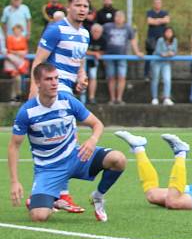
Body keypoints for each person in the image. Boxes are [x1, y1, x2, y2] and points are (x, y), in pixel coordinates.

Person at [9, 63, 126, 222]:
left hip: (76, 157)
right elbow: (14, 146)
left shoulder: (68, 101)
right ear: (37, 82)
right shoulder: (27, 112)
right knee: (38, 216)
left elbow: (97, 124)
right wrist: (15, 182)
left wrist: (92, 140)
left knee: (118, 159)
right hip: (48, 169)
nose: (54, 83)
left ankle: (98, 196)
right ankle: (51, 201)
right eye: (48, 79)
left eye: (56, 78)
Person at [103, 10, 142, 105]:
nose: (119, 19)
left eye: (121, 17)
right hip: (109, 56)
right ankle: (112, 98)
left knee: (122, 77)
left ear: (124, 19)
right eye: (117, 17)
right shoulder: (107, 27)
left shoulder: (127, 28)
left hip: (122, 56)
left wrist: (137, 52)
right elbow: (98, 35)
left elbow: (133, 40)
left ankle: (119, 98)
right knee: (111, 77)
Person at [145, 0, 170, 78]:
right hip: (151, 37)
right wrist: (160, 20)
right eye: (156, 3)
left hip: (162, 39)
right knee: (149, 55)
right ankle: (147, 74)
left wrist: (155, 21)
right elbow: (149, 21)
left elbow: (167, 20)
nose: (157, 4)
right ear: (153, 4)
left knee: (162, 55)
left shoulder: (165, 12)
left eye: (159, 3)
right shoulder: (150, 12)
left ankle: (161, 75)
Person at [151, 26, 177, 106]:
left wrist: (171, 53)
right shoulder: (160, 40)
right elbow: (158, 51)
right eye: (167, 32)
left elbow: (175, 50)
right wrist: (165, 54)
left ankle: (167, 98)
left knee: (167, 80)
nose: (169, 34)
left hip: (166, 62)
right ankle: (154, 98)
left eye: (170, 32)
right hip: (157, 62)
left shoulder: (175, 40)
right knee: (155, 79)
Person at [4, 24, 28, 102]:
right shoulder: (10, 38)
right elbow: (9, 50)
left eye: (19, 30)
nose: (17, 32)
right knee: (16, 78)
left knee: (18, 78)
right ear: (13, 31)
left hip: (20, 59)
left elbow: (25, 50)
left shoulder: (23, 39)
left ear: (21, 31)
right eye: (15, 30)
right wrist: (18, 52)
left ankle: (15, 97)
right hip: (13, 61)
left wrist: (20, 53)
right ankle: (16, 96)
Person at [84, 24, 105, 105]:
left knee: (93, 77)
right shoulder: (86, 37)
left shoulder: (103, 40)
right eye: (95, 31)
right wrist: (94, 53)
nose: (96, 34)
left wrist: (94, 54)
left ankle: (91, 97)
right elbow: (82, 50)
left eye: (98, 32)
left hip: (93, 62)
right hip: (81, 61)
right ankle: (80, 97)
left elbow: (104, 51)